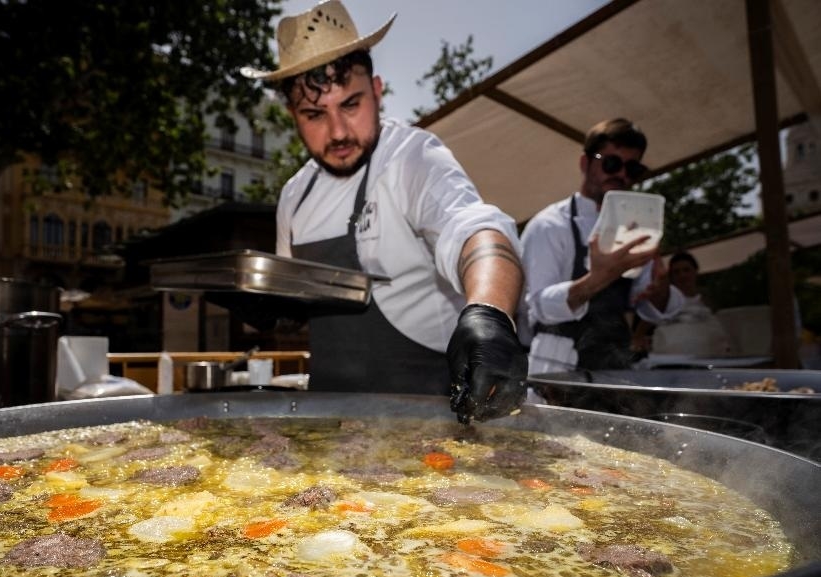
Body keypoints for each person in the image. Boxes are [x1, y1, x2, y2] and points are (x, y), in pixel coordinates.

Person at [240, 0, 526, 423]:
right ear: (292, 116)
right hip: (325, 427)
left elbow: (476, 229)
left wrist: (489, 312)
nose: (337, 132)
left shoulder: (413, 158)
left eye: (351, 105)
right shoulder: (294, 196)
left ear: (377, 91)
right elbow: (301, 312)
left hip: (426, 422)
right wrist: (273, 310)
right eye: (315, 114)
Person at [519, 118, 684, 374]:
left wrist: (659, 291)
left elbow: (645, 304)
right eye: (612, 163)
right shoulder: (549, 225)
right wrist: (598, 279)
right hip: (556, 369)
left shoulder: (634, 228)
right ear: (585, 163)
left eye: (632, 168)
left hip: (616, 368)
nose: (621, 175)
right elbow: (538, 307)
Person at [632, 251, 733, 356]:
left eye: (686, 270)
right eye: (677, 272)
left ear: (695, 271)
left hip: (709, 356)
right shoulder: (662, 300)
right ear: (671, 276)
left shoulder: (708, 299)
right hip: (671, 358)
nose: (682, 275)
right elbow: (638, 335)